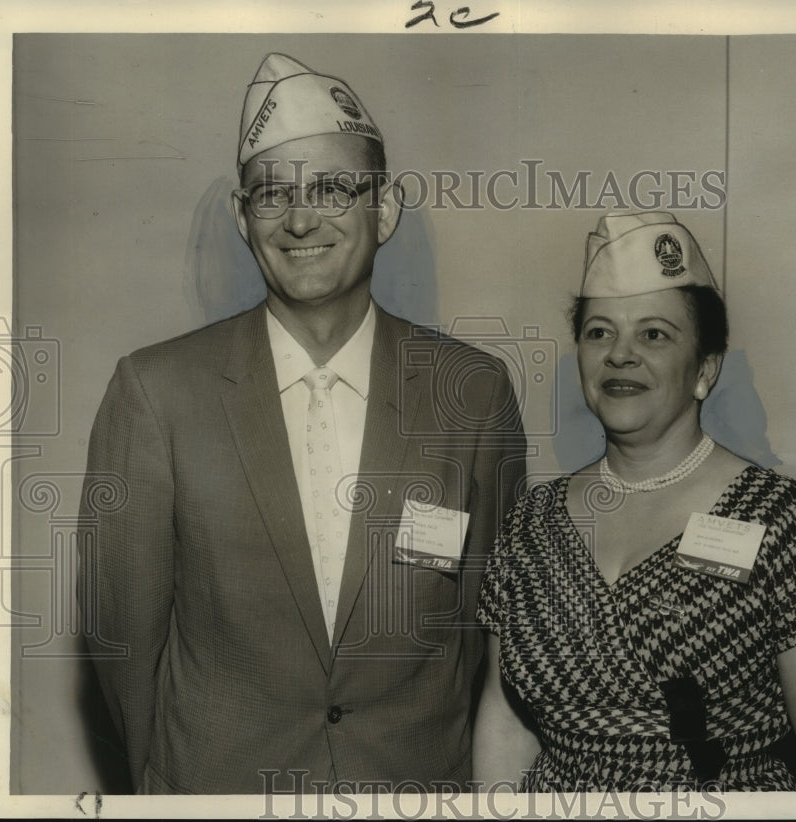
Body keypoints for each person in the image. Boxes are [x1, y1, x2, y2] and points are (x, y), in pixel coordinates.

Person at [77, 53, 527, 794]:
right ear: (240, 217)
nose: (299, 219)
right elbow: (121, 638)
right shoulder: (157, 394)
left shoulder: (471, 392)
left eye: (330, 188)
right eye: (270, 195)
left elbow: (495, 636)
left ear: (383, 209)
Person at [473, 211, 796, 792]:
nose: (620, 354)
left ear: (705, 369)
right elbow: (507, 725)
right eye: (599, 331)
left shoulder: (785, 522)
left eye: (654, 334)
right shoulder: (532, 522)